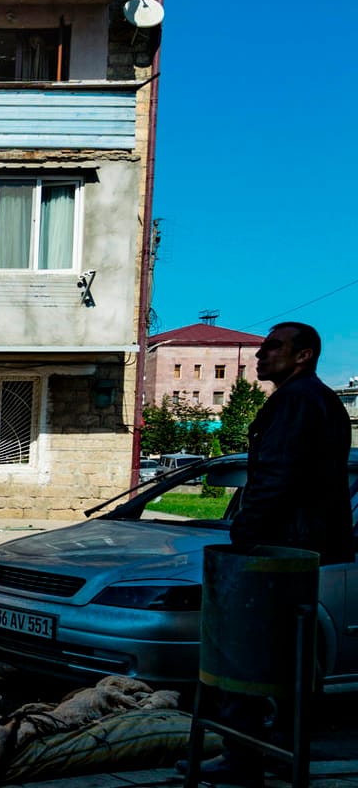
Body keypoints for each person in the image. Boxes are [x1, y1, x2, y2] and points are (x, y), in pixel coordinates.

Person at [189, 322, 351, 785]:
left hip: (281, 548)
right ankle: (277, 747)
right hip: (301, 544)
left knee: (245, 651)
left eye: (273, 347)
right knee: (284, 656)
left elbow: (276, 477)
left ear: (304, 356)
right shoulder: (316, 400)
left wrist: (244, 537)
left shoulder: (298, 401)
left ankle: (243, 757)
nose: (261, 356)